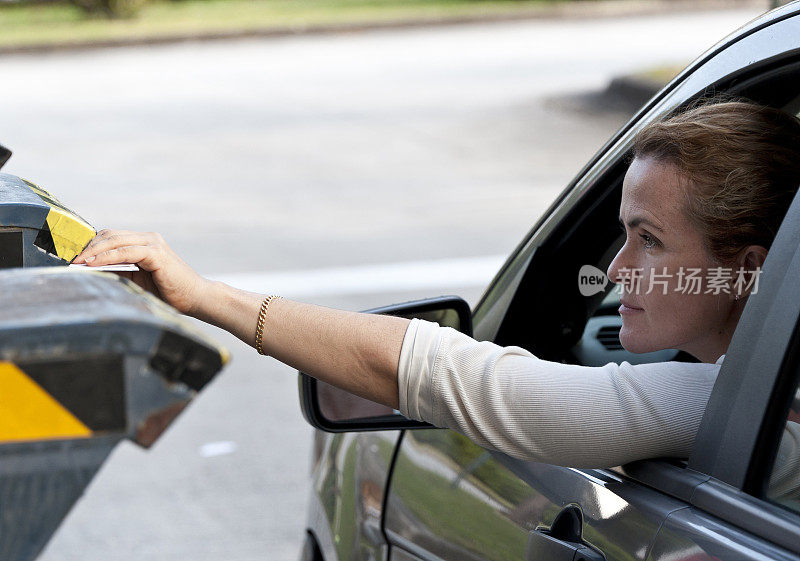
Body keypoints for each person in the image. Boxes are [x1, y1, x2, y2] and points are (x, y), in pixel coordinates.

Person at [72, 100, 800, 480]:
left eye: (649, 238)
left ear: (749, 265)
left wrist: (204, 296)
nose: (615, 270)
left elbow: (449, 376)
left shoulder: (722, 405)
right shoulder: (749, 397)